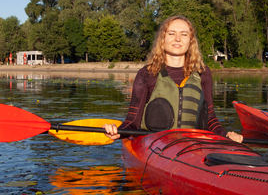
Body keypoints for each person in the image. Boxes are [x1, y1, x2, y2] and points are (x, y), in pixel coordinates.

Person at [103, 15, 243, 143]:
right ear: (163, 39)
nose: (177, 39)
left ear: (190, 41)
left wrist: (226, 136)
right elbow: (132, 121)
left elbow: (211, 119)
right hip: (154, 145)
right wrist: (118, 132)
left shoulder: (203, 73)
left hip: (192, 145)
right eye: (171, 34)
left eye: (184, 34)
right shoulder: (147, 74)